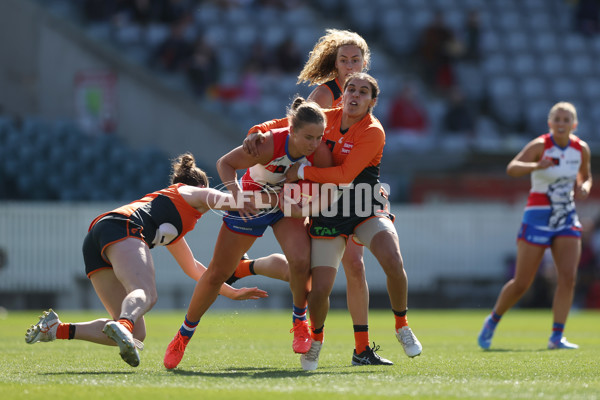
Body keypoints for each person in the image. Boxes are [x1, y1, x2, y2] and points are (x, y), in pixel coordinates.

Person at [245, 73, 423, 370]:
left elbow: (344, 176)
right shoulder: (326, 117)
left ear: (372, 101)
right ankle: (316, 342)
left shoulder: (373, 131)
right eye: (351, 89)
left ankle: (402, 325)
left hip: (366, 207)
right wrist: (257, 130)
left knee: (392, 259)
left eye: (363, 92)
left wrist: (300, 174)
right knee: (321, 289)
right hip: (328, 213)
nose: (354, 95)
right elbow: (288, 122)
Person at [24, 153, 268, 367]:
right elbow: (218, 198)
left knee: (137, 334)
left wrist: (231, 293)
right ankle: (124, 323)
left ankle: (55, 329)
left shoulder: (173, 224)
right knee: (145, 293)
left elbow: (193, 268)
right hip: (121, 226)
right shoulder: (188, 191)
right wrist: (270, 203)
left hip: (98, 238)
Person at [163, 98, 332, 369]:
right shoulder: (268, 144)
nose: (314, 144)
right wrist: (239, 197)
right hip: (253, 202)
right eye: (308, 137)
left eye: (319, 137)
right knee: (217, 273)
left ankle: (300, 321)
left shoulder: (319, 151)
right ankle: (183, 335)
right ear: (292, 130)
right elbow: (225, 164)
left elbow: (329, 185)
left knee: (301, 262)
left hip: (284, 204)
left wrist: (305, 206)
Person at [478, 102, 592, 350]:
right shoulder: (541, 145)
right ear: (550, 123)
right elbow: (512, 168)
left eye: (566, 120)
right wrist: (536, 165)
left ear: (574, 125)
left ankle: (556, 336)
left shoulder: (581, 149)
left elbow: (586, 176)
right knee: (522, 282)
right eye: (557, 119)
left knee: (569, 277)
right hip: (537, 216)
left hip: (566, 216)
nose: (561, 124)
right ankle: (493, 320)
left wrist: (584, 187)